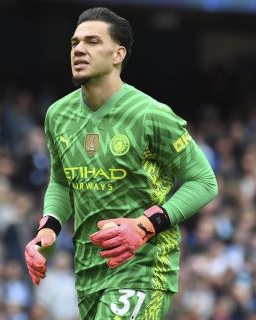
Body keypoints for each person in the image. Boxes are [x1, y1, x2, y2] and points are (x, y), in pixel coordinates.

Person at [24, 7, 218, 319]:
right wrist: (48, 229)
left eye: (92, 42)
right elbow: (61, 182)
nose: (79, 50)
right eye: (74, 43)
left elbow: (204, 182)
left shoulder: (151, 115)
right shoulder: (58, 115)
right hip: (89, 271)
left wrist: (145, 226)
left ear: (118, 54)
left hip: (144, 267)